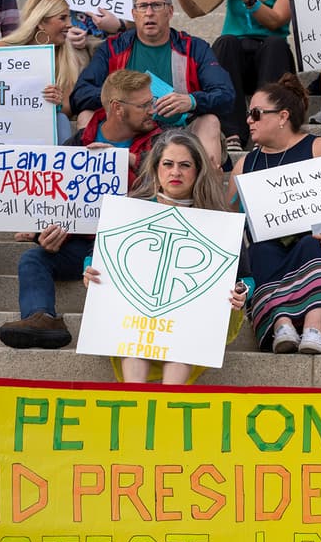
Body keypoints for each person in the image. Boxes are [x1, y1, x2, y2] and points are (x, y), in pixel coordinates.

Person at [0, 69, 158, 350]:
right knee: (34, 259)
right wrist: (44, 234)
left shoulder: (161, 141)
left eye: (151, 102)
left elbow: (181, 173)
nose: (152, 110)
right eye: (144, 105)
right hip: (83, 245)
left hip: (135, 246)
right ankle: (42, 319)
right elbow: (58, 203)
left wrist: (131, 160)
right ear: (118, 109)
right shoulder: (74, 146)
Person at [84, 131, 248, 382]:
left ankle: (169, 402)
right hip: (134, 318)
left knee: (182, 340)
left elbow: (246, 276)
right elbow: (98, 256)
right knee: (132, 337)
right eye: (168, 164)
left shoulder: (218, 218)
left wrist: (242, 291)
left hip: (192, 319)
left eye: (185, 165)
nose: (175, 172)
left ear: (198, 170)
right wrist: (89, 271)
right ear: (156, 167)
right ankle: (134, 400)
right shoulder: (130, 209)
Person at [232, 74, 321, 354]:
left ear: (283, 116)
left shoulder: (319, 149)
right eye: (249, 114)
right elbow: (229, 219)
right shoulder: (244, 164)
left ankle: (314, 327)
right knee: (258, 250)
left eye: (256, 113)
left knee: (311, 243)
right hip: (271, 251)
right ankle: (281, 324)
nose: (248, 119)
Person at [71, 0, 231, 170]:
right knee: (86, 115)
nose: (149, 13)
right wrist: (126, 102)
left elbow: (226, 94)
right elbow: (80, 94)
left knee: (210, 121)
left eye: (156, 5)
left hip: (178, 131)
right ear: (133, 13)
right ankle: (84, 182)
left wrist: (191, 101)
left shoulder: (193, 47)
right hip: (129, 128)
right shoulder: (113, 47)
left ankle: (205, 192)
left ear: (170, 11)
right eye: (142, 6)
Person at [212, 0, 306, 149]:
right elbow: (197, 10)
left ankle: (265, 127)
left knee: (275, 43)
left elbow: (276, 21)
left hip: (271, 60)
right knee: (225, 42)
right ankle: (231, 132)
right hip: (235, 60)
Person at [0, 0, 90, 142]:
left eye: (69, 17)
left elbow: (67, 108)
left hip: (41, 126)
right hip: (3, 123)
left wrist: (56, 102)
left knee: (61, 119)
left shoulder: (68, 57)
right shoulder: (2, 48)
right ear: (41, 22)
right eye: (63, 18)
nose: (70, 24)